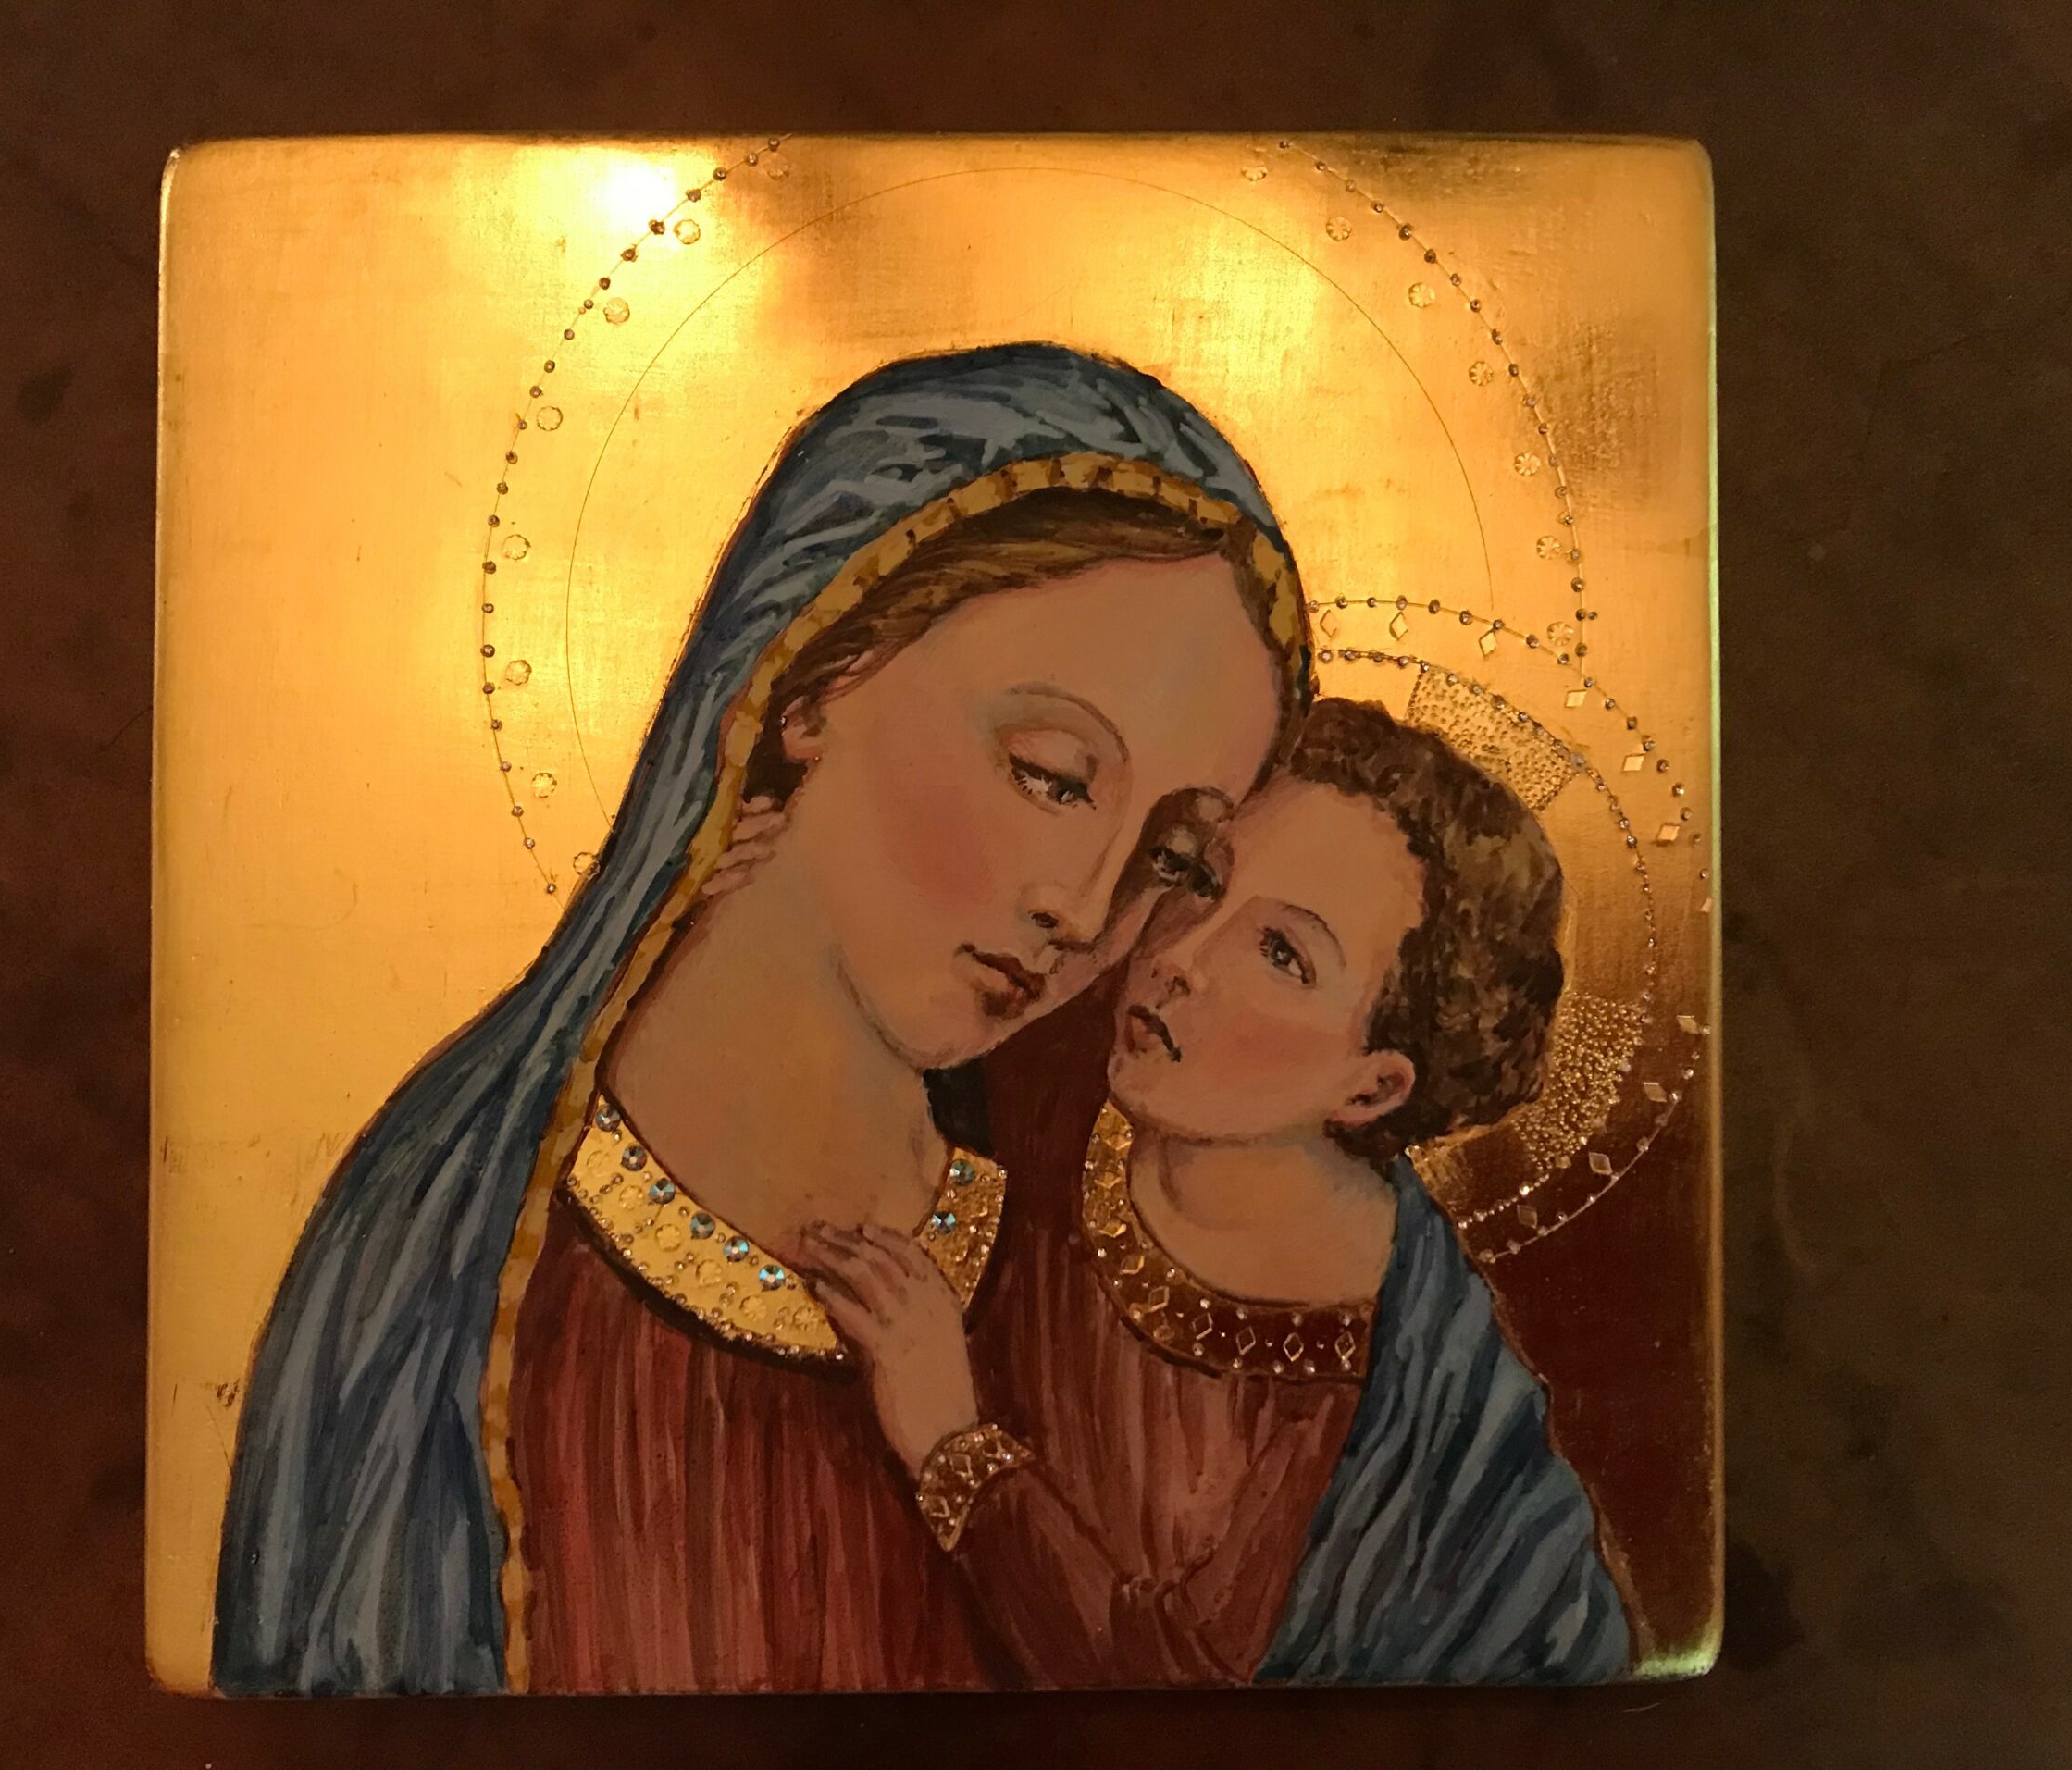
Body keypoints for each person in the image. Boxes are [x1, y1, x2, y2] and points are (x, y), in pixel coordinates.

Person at [211, 343, 1313, 1693]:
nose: (1085, 909)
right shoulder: (445, 1254)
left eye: (1171, 855)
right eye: (1052, 775)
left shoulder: (1102, 1275)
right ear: (810, 682)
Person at [803, 695, 1632, 1687]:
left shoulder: (1359, 1409)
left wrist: (951, 1443)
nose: (1182, 956)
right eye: (1203, 880)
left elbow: (1172, 1699)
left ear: (1372, 1086)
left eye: (1281, 953)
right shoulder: (1054, 1055)